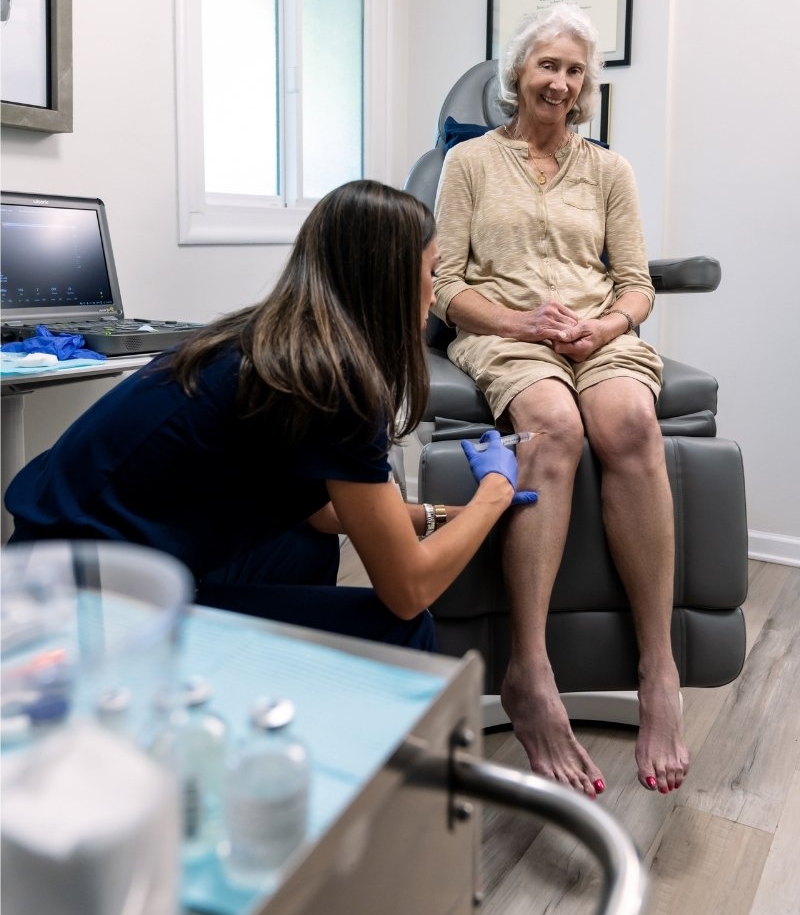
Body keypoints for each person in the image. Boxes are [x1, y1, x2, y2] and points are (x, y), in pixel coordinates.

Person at [5, 179, 536, 651]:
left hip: (57, 554)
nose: (434, 290)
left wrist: (449, 515)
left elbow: (326, 514)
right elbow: (409, 589)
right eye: (431, 270)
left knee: (305, 543)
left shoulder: (278, 342)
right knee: (403, 630)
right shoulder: (338, 380)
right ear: (391, 279)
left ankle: (270, 695)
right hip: (81, 603)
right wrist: (494, 493)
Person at [433, 3, 690, 798]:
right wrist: (518, 320)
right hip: (506, 334)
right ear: (518, 73)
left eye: (576, 71)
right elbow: (443, 284)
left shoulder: (611, 171)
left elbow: (637, 284)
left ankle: (658, 665)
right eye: (549, 65)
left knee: (630, 421)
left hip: (595, 334)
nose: (562, 82)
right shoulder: (470, 163)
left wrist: (605, 325)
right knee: (554, 425)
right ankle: (531, 668)